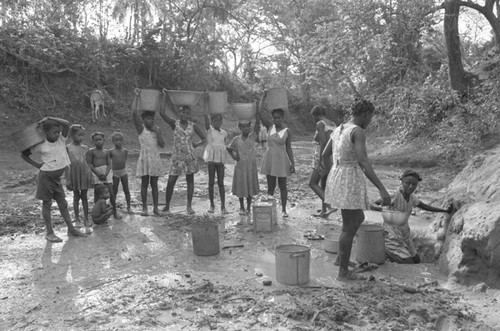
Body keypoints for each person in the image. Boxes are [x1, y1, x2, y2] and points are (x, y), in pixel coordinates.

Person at [323, 99, 391, 280]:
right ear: (366, 114)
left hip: (338, 175)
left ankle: (340, 258)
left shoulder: (339, 129)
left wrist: (333, 170)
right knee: (347, 227)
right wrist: (382, 189)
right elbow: (363, 161)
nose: (370, 122)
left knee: (358, 217)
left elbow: (325, 154)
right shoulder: (357, 131)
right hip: (349, 178)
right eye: (371, 118)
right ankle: (343, 272)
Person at [21, 117, 86, 242]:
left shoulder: (61, 140)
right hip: (45, 177)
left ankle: (71, 229)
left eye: (58, 132)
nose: (57, 135)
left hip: (57, 179)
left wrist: (49, 118)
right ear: (46, 132)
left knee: (63, 204)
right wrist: (37, 165)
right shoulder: (40, 145)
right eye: (54, 132)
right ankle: (49, 232)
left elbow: (67, 124)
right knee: (47, 204)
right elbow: (24, 155)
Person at [371, 169, 453, 264]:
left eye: (414, 184)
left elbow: (425, 206)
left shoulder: (412, 198)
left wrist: (445, 210)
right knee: (408, 262)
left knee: (416, 260)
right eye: (407, 183)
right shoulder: (394, 195)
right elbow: (373, 203)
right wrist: (376, 207)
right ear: (401, 181)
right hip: (391, 234)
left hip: (405, 234)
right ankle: (385, 251)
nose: (410, 187)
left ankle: (390, 255)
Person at [160, 90, 207, 214]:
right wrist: (164, 96)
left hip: (190, 157)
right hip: (176, 158)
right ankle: (167, 205)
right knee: (171, 181)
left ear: (189, 114)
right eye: (182, 112)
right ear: (179, 113)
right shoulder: (174, 124)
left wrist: (196, 145)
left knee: (190, 181)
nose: (185, 115)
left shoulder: (193, 126)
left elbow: (204, 138)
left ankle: (189, 206)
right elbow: (161, 112)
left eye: (187, 113)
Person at [256, 95, 295, 218]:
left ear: (283, 118)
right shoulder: (270, 127)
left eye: (278, 118)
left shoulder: (287, 131)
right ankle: (270, 209)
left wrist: (292, 163)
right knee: (270, 186)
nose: (276, 120)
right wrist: (264, 96)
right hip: (270, 158)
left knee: (283, 186)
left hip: (281, 159)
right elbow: (259, 111)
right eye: (274, 118)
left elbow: (288, 148)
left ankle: (284, 210)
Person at [132, 89, 165, 216]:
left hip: (155, 158)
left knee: (155, 185)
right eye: (147, 118)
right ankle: (144, 208)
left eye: (151, 118)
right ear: (143, 119)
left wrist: (158, 132)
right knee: (144, 184)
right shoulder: (141, 129)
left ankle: (156, 208)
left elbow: (162, 145)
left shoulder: (157, 130)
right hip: (145, 158)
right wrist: (136, 97)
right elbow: (134, 113)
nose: (150, 121)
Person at [308, 105, 337, 218]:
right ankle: (324, 211)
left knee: (313, 183)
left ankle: (330, 206)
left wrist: (320, 159)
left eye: (313, 117)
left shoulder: (320, 124)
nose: (314, 119)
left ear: (316, 115)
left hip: (322, 156)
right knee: (323, 184)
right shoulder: (333, 124)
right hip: (331, 156)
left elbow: (323, 142)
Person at [228, 120, 260, 216]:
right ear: (240, 128)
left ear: (250, 127)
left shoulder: (252, 137)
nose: (246, 129)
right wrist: (234, 157)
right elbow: (229, 148)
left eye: (248, 127)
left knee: (249, 185)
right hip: (240, 167)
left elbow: (257, 126)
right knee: (241, 186)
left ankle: (249, 207)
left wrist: (258, 112)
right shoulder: (236, 139)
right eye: (244, 127)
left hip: (250, 167)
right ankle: (241, 207)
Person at [66, 124, 93, 233]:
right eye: (79, 135)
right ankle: (77, 218)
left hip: (84, 174)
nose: (81, 137)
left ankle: (86, 218)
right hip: (74, 175)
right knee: (76, 196)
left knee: (85, 197)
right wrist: (67, 179)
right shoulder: (67, 148)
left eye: (82, 135)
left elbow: (89, 163)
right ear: (72, 135)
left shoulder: (86, 148)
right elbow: (66, 164)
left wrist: (90, 175)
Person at [87, 132, 121, 220]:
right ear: (93, 141)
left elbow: (109, 164)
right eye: (96, 140)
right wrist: (97, 174)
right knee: (97, 194)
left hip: (106, 173)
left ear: (104, 140)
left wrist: (105, 174)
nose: (98, 142)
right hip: (96, 173)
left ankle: (114, 212)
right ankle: (97, 212)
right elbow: (89, 164)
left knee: (111, 193)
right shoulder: (91, 151)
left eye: (100, 140)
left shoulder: (106, 152)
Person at [203, 104, 229, 214]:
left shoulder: (224, 133)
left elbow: (223, 145)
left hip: (220, 161)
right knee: (211, 182)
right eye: (215, 121)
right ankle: (212, 205)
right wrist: (206, 102)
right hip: (212, 160)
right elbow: (205, 116)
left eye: (219, 121)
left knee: (221, 183)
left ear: (221, 122)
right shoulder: (210, 130)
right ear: (212, 122)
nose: (217, 123)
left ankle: (223, 206)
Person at [109, 130, 132, 214]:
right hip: (115, 172)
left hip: (123, 172)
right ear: (113, 141)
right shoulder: (111, 151)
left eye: (120, 140)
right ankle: (113, 207)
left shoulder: (125, 151)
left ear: (122, 140)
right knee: (114, 190)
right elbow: (109, 162)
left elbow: (124, 160)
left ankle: (129, 207)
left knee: (126, 190)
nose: (118, 142)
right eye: (116, 140)